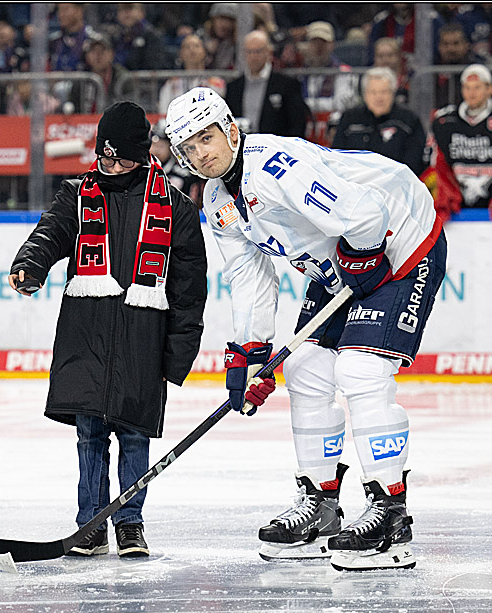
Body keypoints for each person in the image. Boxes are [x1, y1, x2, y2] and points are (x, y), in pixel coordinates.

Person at [165, 86, 447, 571]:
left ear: (230, 129)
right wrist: (249, 355)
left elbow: (364, 214)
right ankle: (321, 504)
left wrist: (363, 257)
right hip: (340, 258)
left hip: (401, 236)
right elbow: (250, 277)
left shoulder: (277, 166)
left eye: (206, 138)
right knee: (306, 370)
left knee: (360, 372)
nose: (200, 154)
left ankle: (390, 512)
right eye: (187, 148)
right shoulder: (217, 200)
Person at [8, 102, 208, 558]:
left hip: (143, 337)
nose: (111, 166)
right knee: (89, 431)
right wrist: (29, 265)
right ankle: (90, 524)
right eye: (104, 157)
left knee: (134, 432)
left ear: (142, 155)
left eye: (120, 159)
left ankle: (129, 523)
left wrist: (177, 357)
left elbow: (189, 289)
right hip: (88, 333)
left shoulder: (175, 208)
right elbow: (51, 233)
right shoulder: (78, 194)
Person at [429, 64, 492, 224]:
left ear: (490, 89)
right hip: (458, 208)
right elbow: (435, 165)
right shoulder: (444, 120)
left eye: (477, 87)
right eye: (467, 87)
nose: (471, 93)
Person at [331, 67, 428, 176]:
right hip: (355, 184)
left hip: (396, 185)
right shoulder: (350, 119)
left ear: (393, 93)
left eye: (384, 92)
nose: (379, 97)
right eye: (373, 92)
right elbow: (337, 157)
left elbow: (414, 161)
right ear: (365, 94)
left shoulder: (408, 120)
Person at [225, 30, 309, 137]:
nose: (253, 57)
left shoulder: (287, 85)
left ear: (268, 52)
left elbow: (297, 124)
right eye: (249, 52)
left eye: (258, 51)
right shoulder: (234, 87)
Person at [300, 22, 358, 115]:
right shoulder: (300, 72)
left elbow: (342, 104)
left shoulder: (344, 71)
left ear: (332, 45)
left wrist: (305, 105)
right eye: (314, 42)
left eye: (323, 43)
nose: (319, 48)